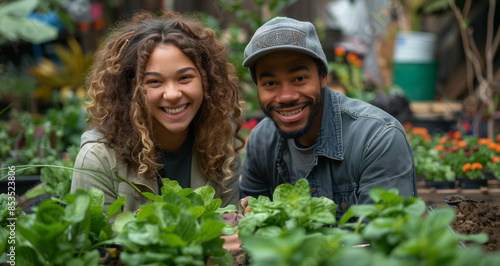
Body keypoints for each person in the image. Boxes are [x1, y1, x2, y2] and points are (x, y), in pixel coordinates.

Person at [239, 17, 417, 220]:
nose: (286, 96)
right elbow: (251, 230)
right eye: (270, 83)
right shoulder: (261, 142)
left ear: (323, 76)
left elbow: (384, 241)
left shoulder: (377, 139)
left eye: (299, 78)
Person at [71, 11, 245, 213]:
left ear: (208, 81)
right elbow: (94, 243)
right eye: (154, 82)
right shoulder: (98, 160)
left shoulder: (222, 145)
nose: (172, 94)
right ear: (129, 90)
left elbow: (228, 228)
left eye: (185, 78)